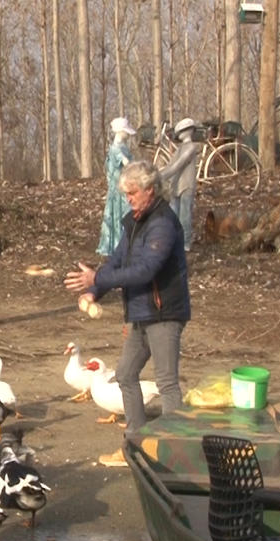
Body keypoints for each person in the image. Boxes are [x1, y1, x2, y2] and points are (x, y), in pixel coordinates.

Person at [64, 161, 191, 467]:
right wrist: (95, 290)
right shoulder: (135, 221)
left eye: (132, 192)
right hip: (141, 312)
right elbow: (118, 261)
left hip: (164, 313)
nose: (128, 198)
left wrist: (98, 279)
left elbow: (146, 270)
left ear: (150, 189)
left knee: (167, 382)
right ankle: (136, 445)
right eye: (126, 193)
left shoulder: (162, 223)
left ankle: (174, 454)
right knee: (125, 375)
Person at [158, 117, 200, 251]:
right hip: (175, 185)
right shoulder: (180, 148)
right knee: (173, 215)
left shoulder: (191, 147)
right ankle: (174, 240)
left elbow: (177, 165)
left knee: (185, 216)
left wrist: (161, 176)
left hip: (186, 185)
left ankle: (186, 242)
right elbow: (171, 164)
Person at [96, 117, 136, 256]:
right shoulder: (116, 149)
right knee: (124, 216)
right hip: (120, 190)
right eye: (126, 132)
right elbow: (128, 165)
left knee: (126, 216)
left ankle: (124, 244)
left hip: (125, 187)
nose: (128, 134)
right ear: (120, 132)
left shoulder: (123, 147)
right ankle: (119, 245)